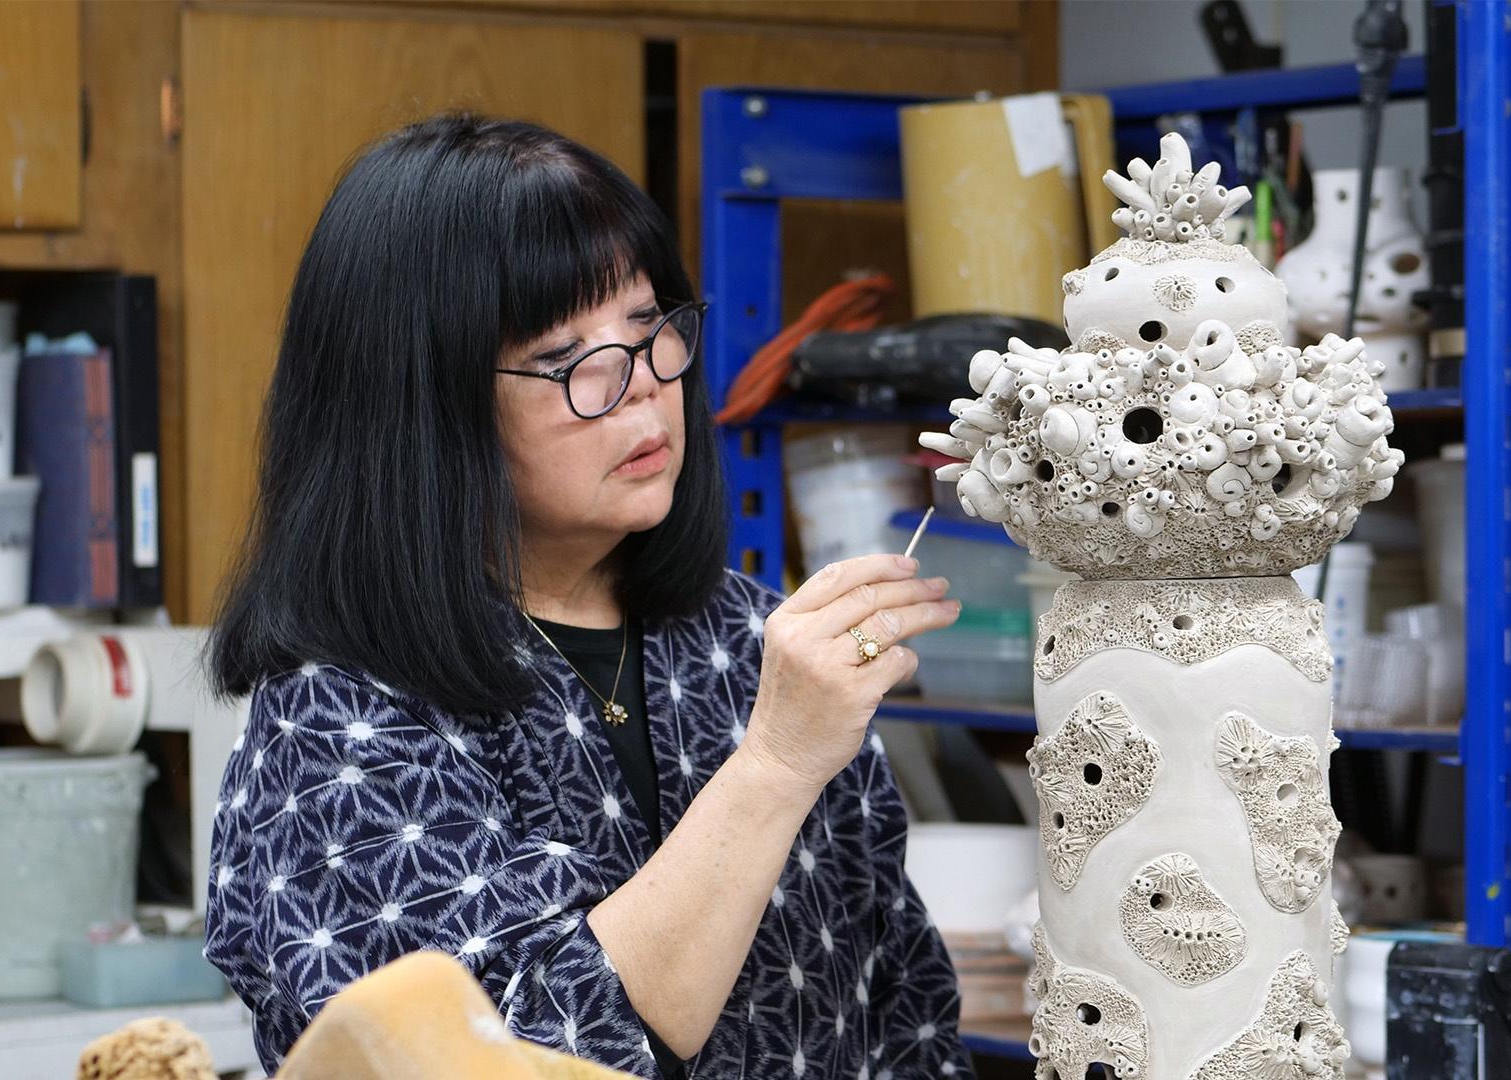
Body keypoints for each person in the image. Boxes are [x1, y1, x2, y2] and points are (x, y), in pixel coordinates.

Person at [202, 114, 969, 1079]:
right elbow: (530, 1055)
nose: (644, 387)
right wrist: (775, 764)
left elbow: (906, 1011)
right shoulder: (335, 720)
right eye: (572, 361)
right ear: (422, 403)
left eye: (651, 332)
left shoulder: (749, 642)